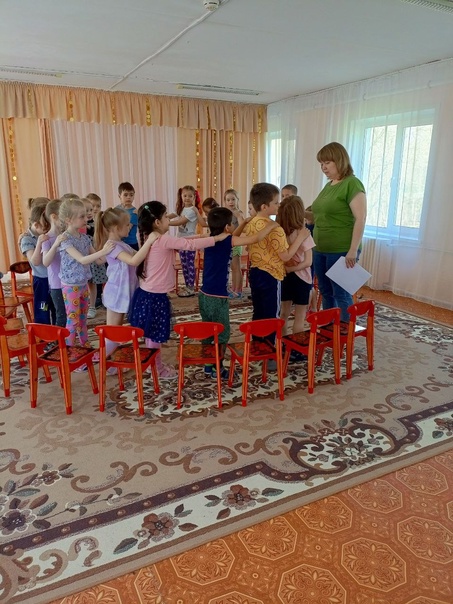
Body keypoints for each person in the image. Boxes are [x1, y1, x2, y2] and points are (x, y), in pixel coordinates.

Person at [128, 201, 228, 379]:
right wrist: (216, 239)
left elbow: (184, 241)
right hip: (154, 296)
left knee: (151, 333)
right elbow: (187, 245)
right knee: (155, 334)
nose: (169, 219)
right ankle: (157, 368)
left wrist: (200, 236)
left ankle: (154, 365)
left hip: (146, 293)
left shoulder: (151, 237)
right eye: (166, 217)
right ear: (157, 222)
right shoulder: (163, 239)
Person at [199, 206, 279, 378]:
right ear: (227, 227)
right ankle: (218, 367)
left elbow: (233, 234)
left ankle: (208, 364)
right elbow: (255, 238)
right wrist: (272, 225)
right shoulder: (229, 240)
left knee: (208, 329)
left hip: (204, 295)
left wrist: (243, 223)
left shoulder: (208, 238)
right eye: (232, 223)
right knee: (222, 333)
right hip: (218, 298)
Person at [311, 142, 367, 322]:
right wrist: (292, 210)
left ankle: (345, 330)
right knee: (326, 291)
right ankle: (330, 327)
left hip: (341, 249)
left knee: (341, 293)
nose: (324, 167)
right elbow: (318, 215)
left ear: (339, 161)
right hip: (320, 248)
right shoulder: (329, 185)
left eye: (327, 162)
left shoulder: (352, 183)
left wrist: (353, 250)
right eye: (321, 164)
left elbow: (360, 218)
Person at [94, 207, 159, 355]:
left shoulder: (122, 244)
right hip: (116, 293)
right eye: (128, 224)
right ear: (116, 228)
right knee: (112, 332)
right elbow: (133, 260)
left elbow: (140, 255)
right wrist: (149, 241)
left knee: (117, 330)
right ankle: (102, 358)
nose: (130, 226)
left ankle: (108, 357)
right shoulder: (112, 246)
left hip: (125, 291)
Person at [243, 183, 309, 326]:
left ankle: (258, 338)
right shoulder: (276, 229)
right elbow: (285, 256)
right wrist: (300, 238)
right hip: (271, 275)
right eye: (276, 202)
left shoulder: (251, 223)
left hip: (255, 272)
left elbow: (249, 247)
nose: (279, 205)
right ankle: (270, 340)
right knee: (272, 315)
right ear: (264, 207)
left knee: (258, 311)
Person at [58, 198, 114, 346]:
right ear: (68, 220)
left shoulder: (84, 238)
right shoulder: (65, 240)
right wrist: (103, 251)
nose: (86, 218)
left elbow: (99, 260)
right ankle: (68, 351)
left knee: (82, 319)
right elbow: (82, 260)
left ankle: (84, 345)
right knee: (73, 320)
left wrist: (113, 251)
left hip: (83, 284)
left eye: (85, 215)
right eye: (81, 216)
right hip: (71, 286)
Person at [277, 195, 315, 335]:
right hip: (302, 279)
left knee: (283, 314)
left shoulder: (280, 233)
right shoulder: (304, 234)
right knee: (300, 317)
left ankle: (281, 345)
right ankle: (295, 346)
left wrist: (288, 268)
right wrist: (292, 268)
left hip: (285, 276)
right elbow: (308, 262)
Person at [20, 202, 55, 325]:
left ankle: (58, 330)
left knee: (55, 306)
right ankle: (43, 330)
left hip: (53, 278)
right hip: (41, 281)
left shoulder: (46, 234)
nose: (48, 231)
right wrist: (39, 243)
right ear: (36, 225)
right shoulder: (27, 239)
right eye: (46, 228)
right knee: (42, 307)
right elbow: (35, 261)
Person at [168, 185, 200, 298]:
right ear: (181, 196)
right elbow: (173, 214)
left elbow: (181, 221)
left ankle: (191, 287)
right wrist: (162, 217)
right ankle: (187, 286)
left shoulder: (192, 211)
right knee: (184, 265)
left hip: (190, 242)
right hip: (181, 240)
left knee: (189, 264)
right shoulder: (181, 209)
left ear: (194, 197)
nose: (187, 198)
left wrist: (165, 223)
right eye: (185, 195)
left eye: (190, 196)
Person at [41, 199, 67, 327]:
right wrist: (56, 244)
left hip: (69, 282)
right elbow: (46, 262)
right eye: (64, 216)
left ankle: (70, 337)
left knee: (72, 314)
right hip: (57, 284)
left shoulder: (66, 235)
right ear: (54, 217)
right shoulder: (46, 239)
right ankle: (59, 338)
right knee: (61, 315)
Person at [82, 197, 108, 319]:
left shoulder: (95, 223)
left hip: (93, 256)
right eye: (86, 210)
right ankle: (84, 305)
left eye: (91, 210)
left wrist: (89, 228)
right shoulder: (77, 225)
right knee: (84, 284)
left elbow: (97, 232)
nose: (89, 213)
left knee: (93, 282)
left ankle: (92, 306)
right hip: (81, 258)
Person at [223, 189, 245, 298]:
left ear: (237, 200)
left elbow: (242, 226)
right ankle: (234, 288)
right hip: (228, 242)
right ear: (225, 201)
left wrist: (238, 216)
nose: (231, 202)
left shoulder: (238, 213)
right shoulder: (225, 213)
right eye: (228, 200)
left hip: (236, 242)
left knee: (236, 268)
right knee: (232, 267)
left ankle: (238, 290)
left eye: (233, 199)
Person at [86, 193, 105, 309]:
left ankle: (100, 296)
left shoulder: (99, 221)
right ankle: (93, 298)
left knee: (99, 275)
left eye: (98, 206)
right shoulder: (83, 222)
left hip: (98, 252)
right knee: (90, 278)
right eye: (93, 206)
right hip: (87, 255)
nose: (95, 209)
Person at [116, 182, 139, 251]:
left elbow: (127, 230)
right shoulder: (116, 209)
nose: (129, 197)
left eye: (131, 195)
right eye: (125, 195)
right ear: (119, 196)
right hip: (119, 242)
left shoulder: (134, 212)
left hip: (131, 244)